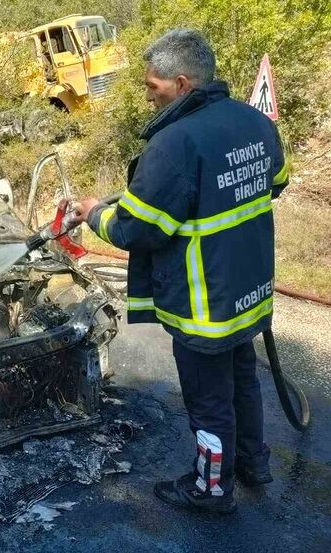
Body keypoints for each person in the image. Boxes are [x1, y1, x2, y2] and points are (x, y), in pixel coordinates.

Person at [72, 28, 288, 514]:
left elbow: (137, 230)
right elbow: (275, 182)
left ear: (182, 83)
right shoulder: (254, 122)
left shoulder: (173, 144)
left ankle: (211, 489)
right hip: (248, 291)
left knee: (209, 400)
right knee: (243, 380)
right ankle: (254, 463)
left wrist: (92, 213)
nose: (148, 96)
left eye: (152, 86)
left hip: (203, 303)